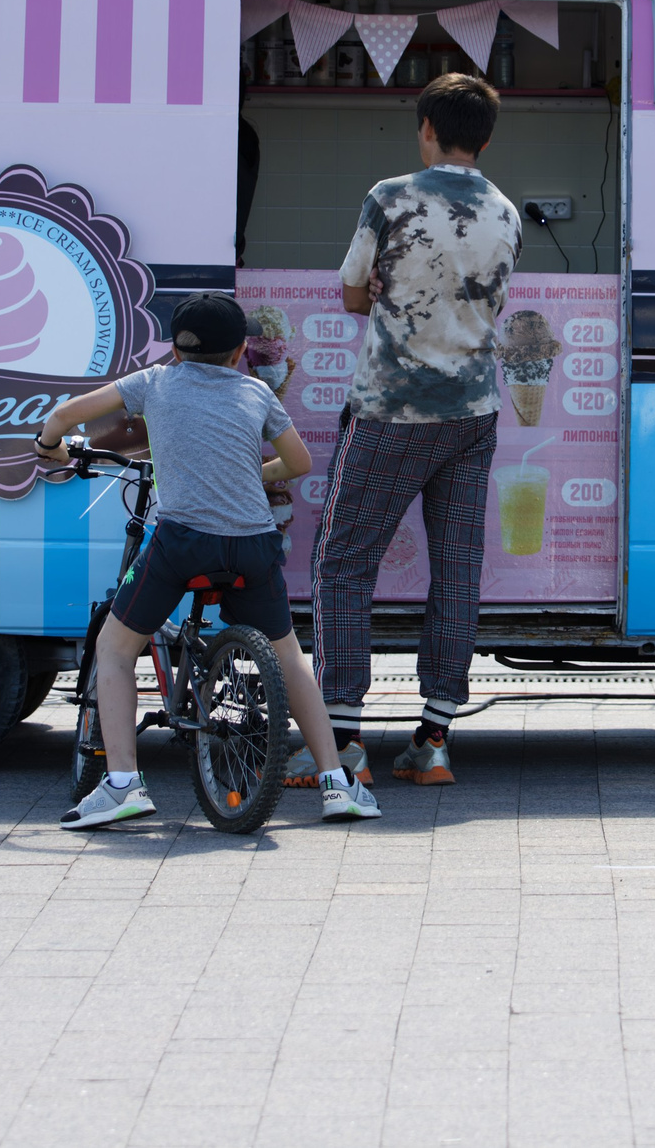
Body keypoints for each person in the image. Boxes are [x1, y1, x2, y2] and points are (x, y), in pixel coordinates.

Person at [32, 292, 382, 829]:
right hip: (253, 544)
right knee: (290, 658)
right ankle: (337, 784)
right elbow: (299, 462)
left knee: (115, 647)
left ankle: (123, 782)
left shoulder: (153, 382)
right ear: (241, 350)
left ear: (174, 349)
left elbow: (63, 416)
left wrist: (50, 447)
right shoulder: (256, 391)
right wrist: (251, 476)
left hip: (184, 542)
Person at [297, 72, 523, 790]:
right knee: (457, 567)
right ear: (484, 137)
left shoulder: (391, 196)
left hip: (393, 410)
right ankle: (434, 738)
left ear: (426, 126)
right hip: (474, 411)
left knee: (342, 561)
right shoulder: (507, 211)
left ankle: (343, 739)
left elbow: (354, 292)